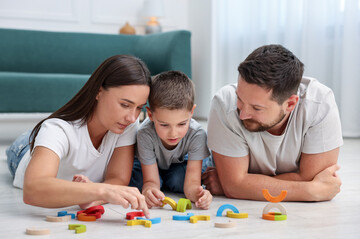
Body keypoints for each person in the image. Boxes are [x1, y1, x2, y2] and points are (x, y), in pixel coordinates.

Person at [6, 55, 151, 217]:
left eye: (139, 108)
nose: (132, 117)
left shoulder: (127, 123)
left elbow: (118, 178)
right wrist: (99, 190)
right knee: (36, 138)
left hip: (53, 138)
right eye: (125, 105)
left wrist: (91, 198)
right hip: (23, 151)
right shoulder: (57, 128)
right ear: (99, 91)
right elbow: (33, 190)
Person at [202, 44, 343, 202]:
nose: (242, 115)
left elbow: (318, 178)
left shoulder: (319, 103)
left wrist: (243, 185)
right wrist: (309, 190)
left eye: (257, 108)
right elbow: (235, 185)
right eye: (239, 99)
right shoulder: (224, 103)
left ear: (290, 104)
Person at [130, 71, 213, 209]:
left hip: (182, 162)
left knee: (179, 180)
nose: (173, 134)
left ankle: (166, 178)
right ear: (150, 114)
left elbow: (192, 183)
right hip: (152, 163)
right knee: (137, 182)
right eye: (164, 125)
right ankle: (164, 179)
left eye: (181, 124)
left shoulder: (197, 134)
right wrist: (149, 190)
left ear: (191, 112)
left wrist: (198, 194)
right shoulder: (144, 134)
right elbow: (151, 181)